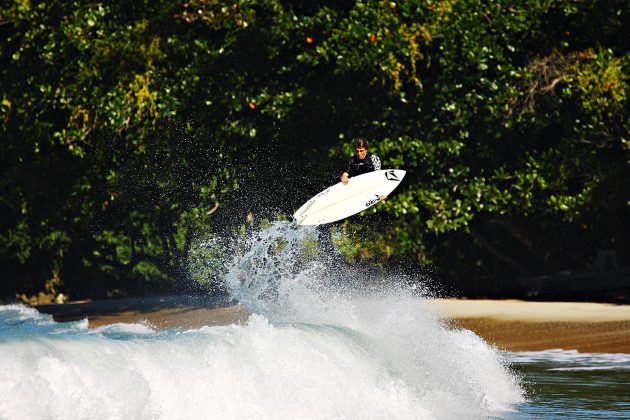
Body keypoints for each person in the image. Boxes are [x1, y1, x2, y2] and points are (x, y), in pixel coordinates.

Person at [340, 137, 385, 201]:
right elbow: (345, 173)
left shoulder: (374, 159)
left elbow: (378, 176)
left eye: (361, 151)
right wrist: (344, 177)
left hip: (370, 185)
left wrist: (381, 192)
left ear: (366, 150)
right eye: (357, 151)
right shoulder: (351, 160)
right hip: (355, 188)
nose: (359, 154)